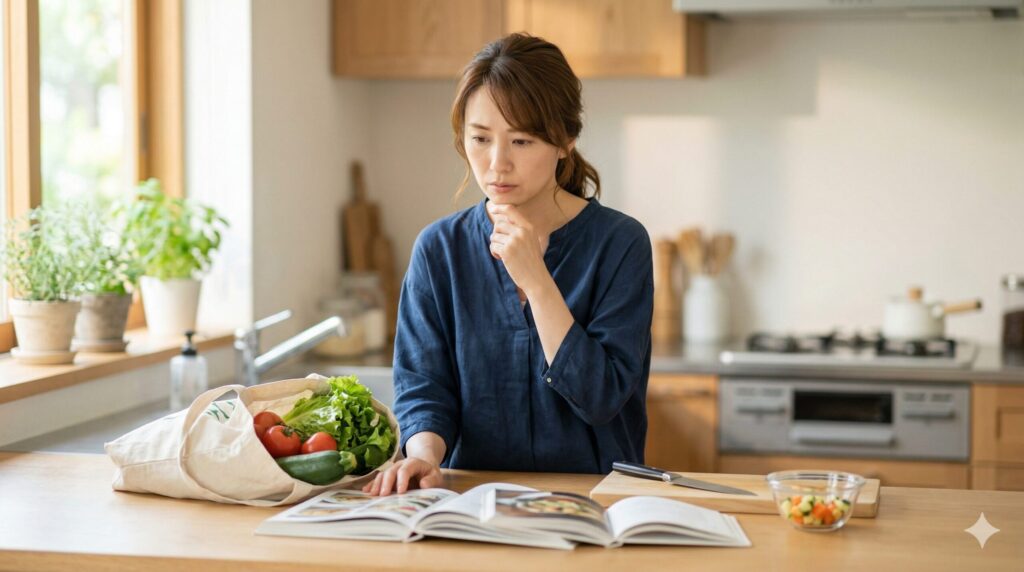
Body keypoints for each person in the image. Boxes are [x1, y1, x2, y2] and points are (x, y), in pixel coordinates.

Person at [364, 33, 653, 496]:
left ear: (565, 142)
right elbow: (424, 388)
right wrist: (421, 458)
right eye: (480, 139)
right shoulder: (439, 249)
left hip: (594, 502)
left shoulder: (620, 244)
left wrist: (536, 280)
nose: (497, 164)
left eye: (521, 140)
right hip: (471, 502)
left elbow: (601, 398)